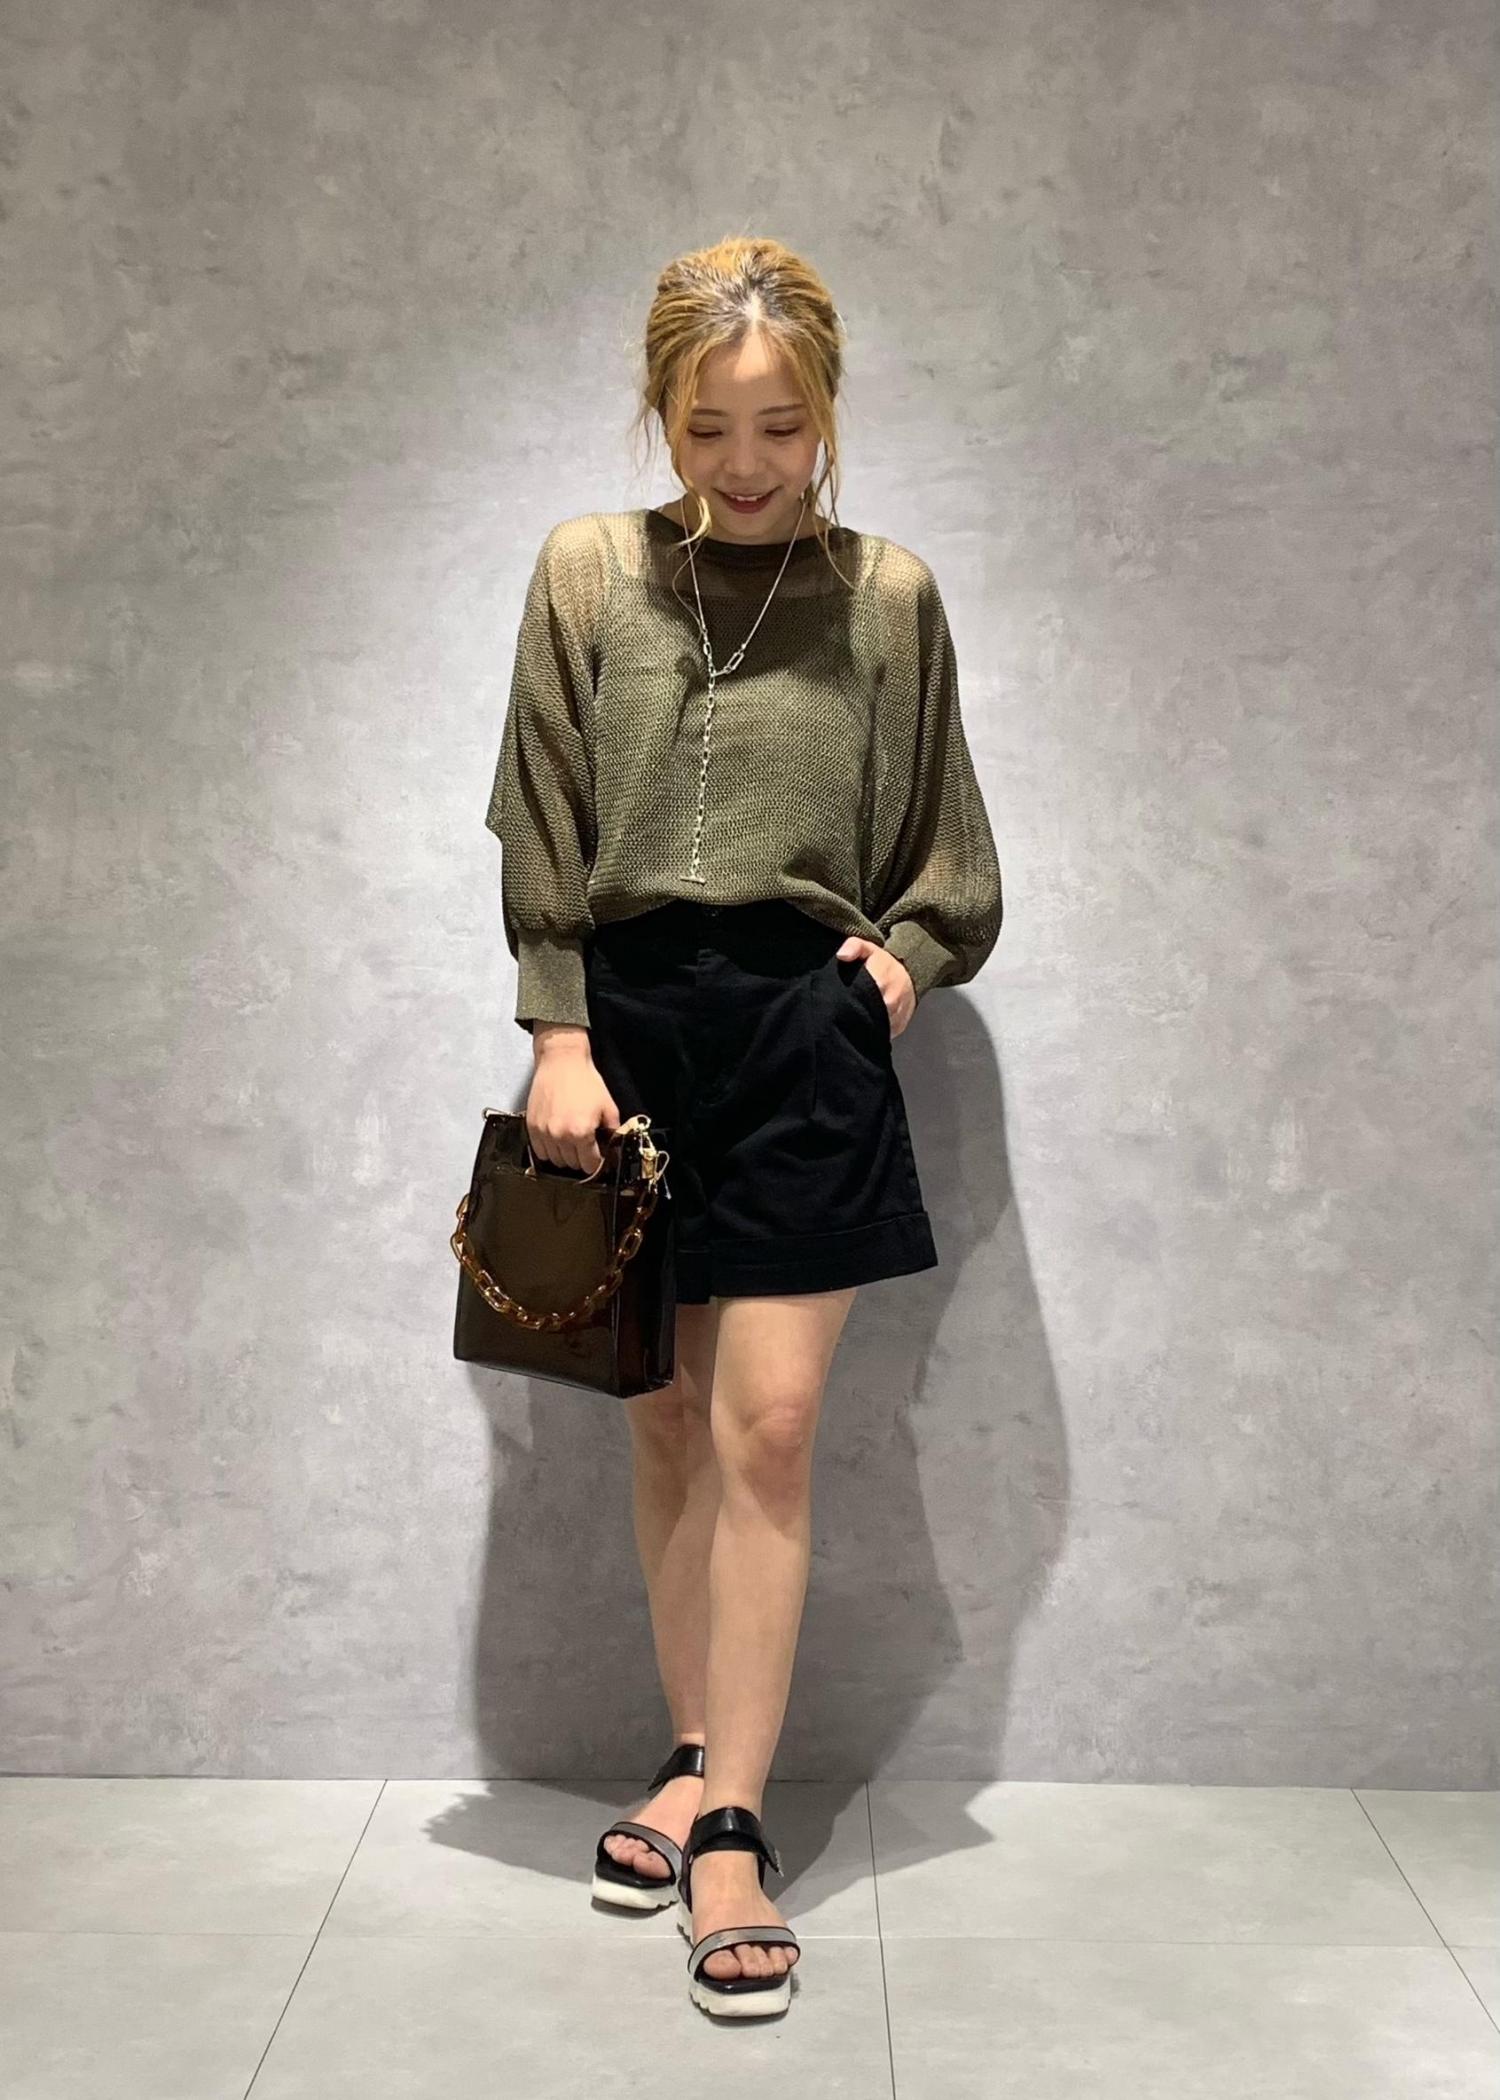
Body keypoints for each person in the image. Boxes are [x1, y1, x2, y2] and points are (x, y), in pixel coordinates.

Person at [484, 234, 1002, 2019]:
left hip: (800, 1032)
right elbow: (537, 809)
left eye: (781, 425)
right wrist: (560, 1028)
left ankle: (729, 1831)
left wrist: (898, 971)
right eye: (708, 426)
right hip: (623, 1032)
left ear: (829, 412)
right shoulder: (588, 571)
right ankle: (694, 1749)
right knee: (666, 1420)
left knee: (768, 1431)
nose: (747, 461)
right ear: (663, 413)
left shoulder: (889, 598)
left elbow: (951, 855)